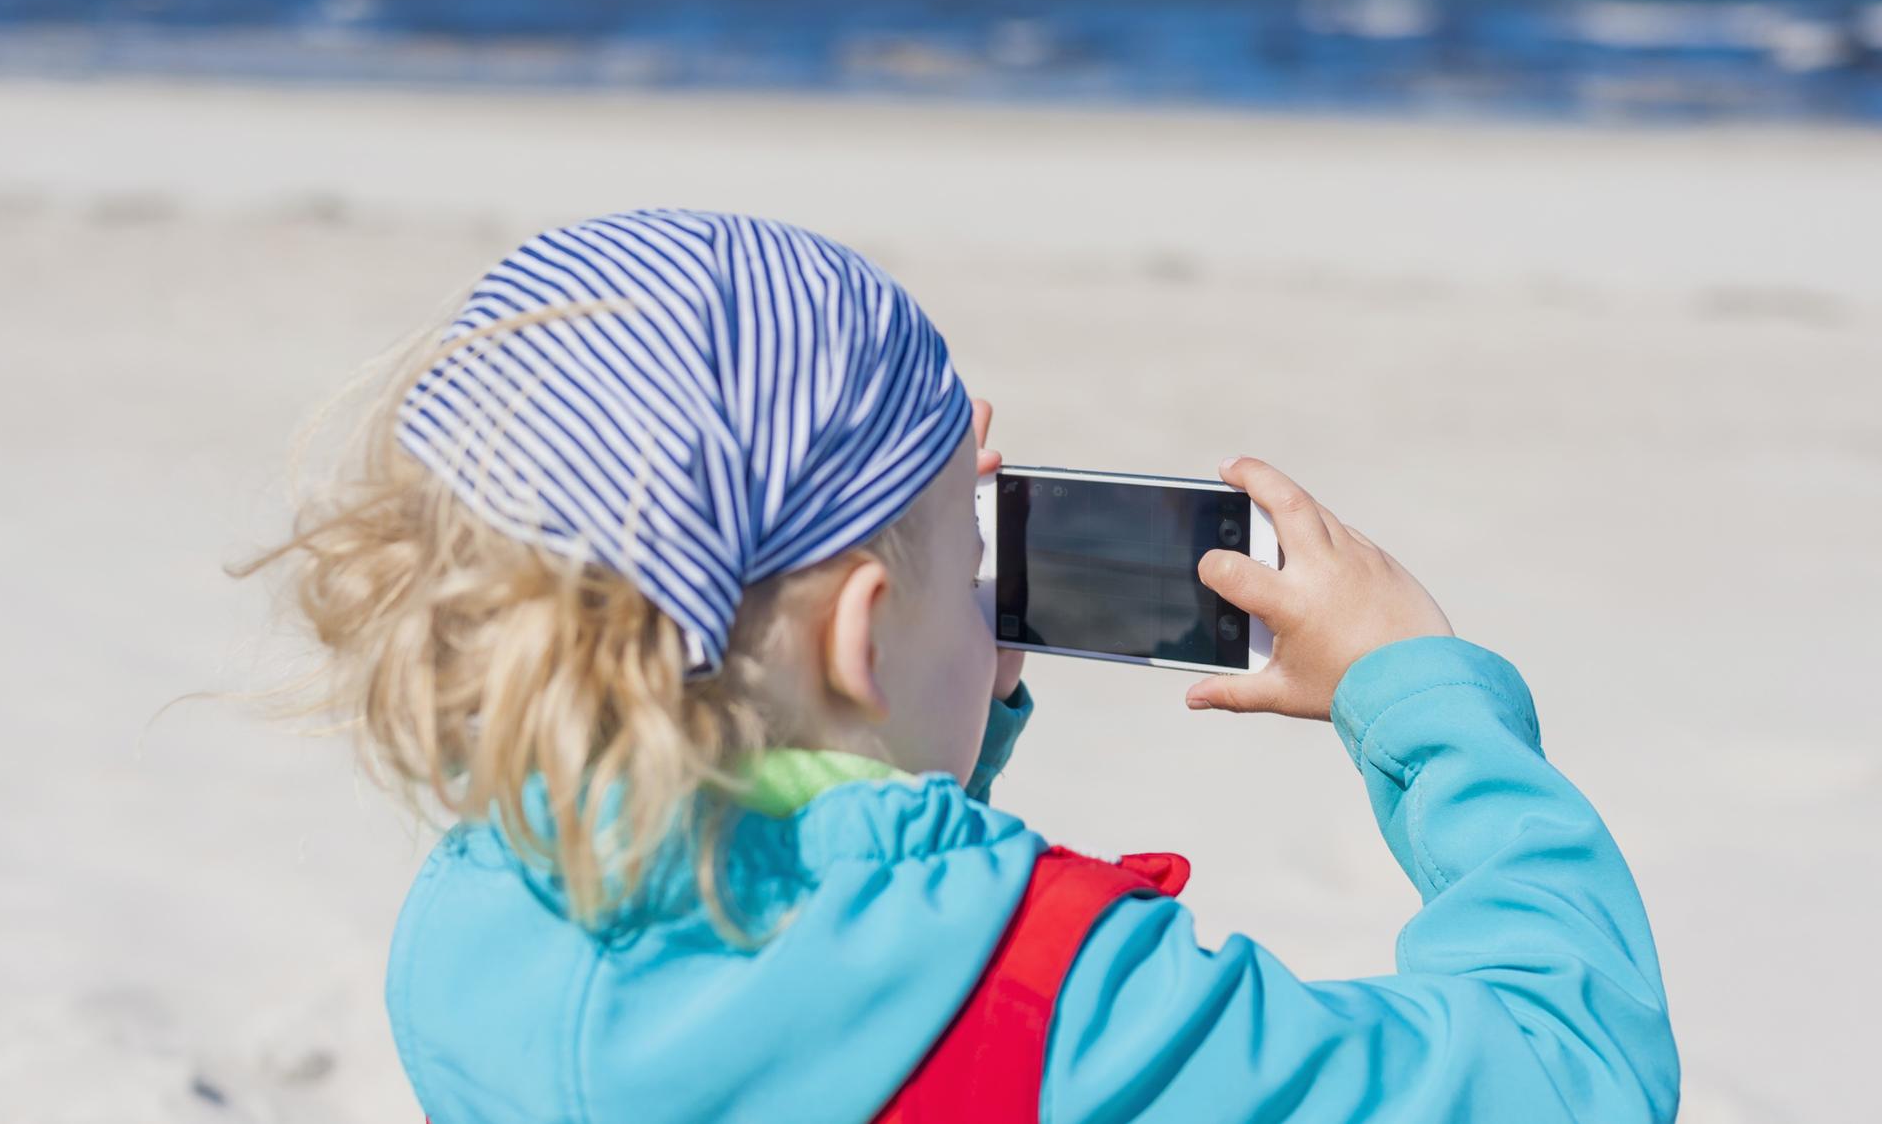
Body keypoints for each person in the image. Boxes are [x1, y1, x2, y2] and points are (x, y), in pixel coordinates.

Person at [244, 209, 1678, 1122]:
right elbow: (1569, 1077)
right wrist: (1422, 693)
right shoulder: (1058, 998)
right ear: (860, 641)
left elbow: (829, 911)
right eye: (962, 557)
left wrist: (927, 710)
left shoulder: (482, 913)